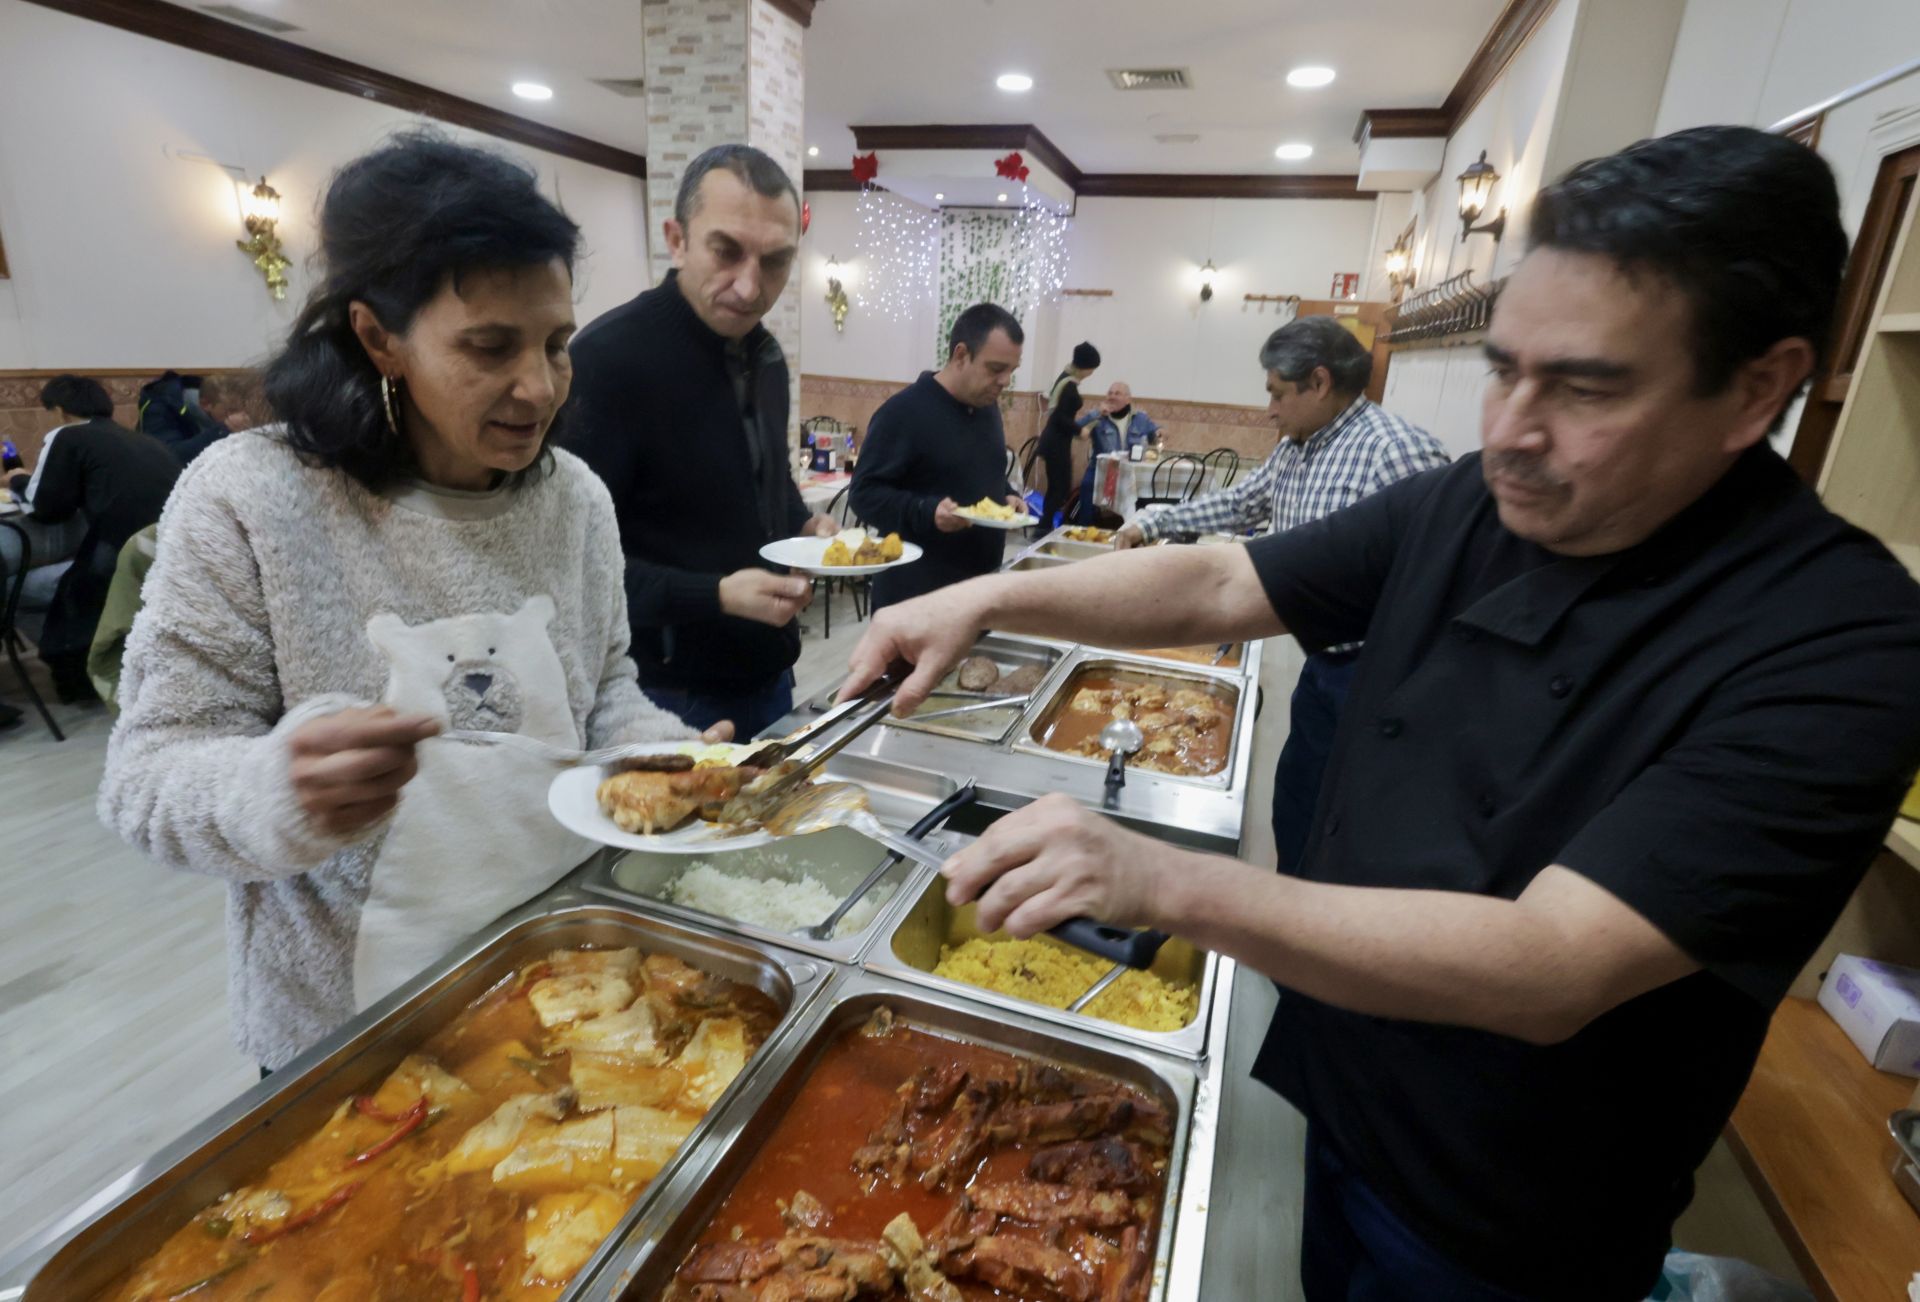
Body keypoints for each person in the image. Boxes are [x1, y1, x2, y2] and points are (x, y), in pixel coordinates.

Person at [841, 126, 1920, 1301]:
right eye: (1508, 369)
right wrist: (994, 600)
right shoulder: (1471, 501)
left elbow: (1549, 964)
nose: (1511, 428)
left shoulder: (1842, 642)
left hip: (1508, 1209)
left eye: (1586, 387)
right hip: (1338, 1086)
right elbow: (1221, 579)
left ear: (1758, 387)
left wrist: (1160, 881)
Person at [101, 132, 718, 1074]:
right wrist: (276, 790)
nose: (539, 386)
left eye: (557, 344)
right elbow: (145, 778)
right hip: (349, 1035)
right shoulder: (251, 499)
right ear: (378, 336)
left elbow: (602, 694)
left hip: (573, 986)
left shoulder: (576, 501)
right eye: (489, 346)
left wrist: (663, 760)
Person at [1117, 317, 1448, 869]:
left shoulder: (1395, 451)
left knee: (1352, 819)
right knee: (1297, 799)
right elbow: (1241, 503)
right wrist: (1151, 523)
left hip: (1379, 677)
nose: (1269, 408)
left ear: (1317, 383)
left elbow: (1441, 569)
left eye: (1276, 393)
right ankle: (1293, 898)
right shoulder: (1297, 445)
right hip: (1321, 661)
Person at [567, 143, 834, 742]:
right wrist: (712, 595)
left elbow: (766, 484)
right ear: (678, 238)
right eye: (727, 251)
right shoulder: (606, 362)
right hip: (663, 696)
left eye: (775, 261)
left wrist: (807, 529)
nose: (749, 286)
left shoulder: (766, 357)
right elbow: (572, 568)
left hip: (772, 675)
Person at [7, 374, 181, 702]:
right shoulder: (140, 440)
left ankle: (78, 679)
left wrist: (18, 481)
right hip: (165, 553)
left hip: (123, 556)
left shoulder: (68, 435)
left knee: (21, 586)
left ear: (59, 411)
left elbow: (46, 507)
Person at [849, 303, 1027, 610]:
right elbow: (864, 495)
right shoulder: (904, 412)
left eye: (1012, 370)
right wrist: (927, 512)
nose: (1005, 381)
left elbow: (981, 474)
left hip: (978, 591)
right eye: (996, 368)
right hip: (915, 597)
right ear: (961, 355)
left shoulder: (987, 407)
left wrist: (1006, 497)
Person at [1072, 381, 1158, 522]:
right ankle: (1084, 528)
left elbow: (1155, 433)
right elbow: (1074, 431)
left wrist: (1159, 433)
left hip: (1131, 472)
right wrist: (1095, 413)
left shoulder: (1140, 418)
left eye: (1117, 393)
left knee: (1147, 492)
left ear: (1128, 399)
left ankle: (1133, 529)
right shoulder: (1099, 418)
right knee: (1087, 486)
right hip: (1101, 470)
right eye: (1110, 393)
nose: (1112, 397)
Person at [1036, 341, 1099, 527]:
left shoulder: (1067, 378)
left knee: (1059, 488)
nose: (1092, 373)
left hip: (1058, 441)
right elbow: (1059, 417)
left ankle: (1045, 527)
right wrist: (1080, 430)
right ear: (1087, 367)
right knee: (1059, 488)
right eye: (1092, 368)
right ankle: (1043, 529)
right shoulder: (1068, 384)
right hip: (1055, 442)